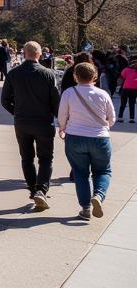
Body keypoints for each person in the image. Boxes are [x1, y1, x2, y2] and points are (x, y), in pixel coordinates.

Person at [1, 41, 60, 210]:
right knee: (46, 159)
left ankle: (33, 189)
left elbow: (4, 100)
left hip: (22, 123)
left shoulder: (14, 74)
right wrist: (61, 119)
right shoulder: (49, 74)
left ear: (24, 53)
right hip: (43, 122)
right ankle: (41, 190)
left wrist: (16, 113)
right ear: (39, 54)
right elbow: (56, 101)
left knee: (27, 158)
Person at [58, 60, 114, 220]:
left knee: (80, 173)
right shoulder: (103, 94)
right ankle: (99, 195)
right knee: (103, 171)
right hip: (100, 138)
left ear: (75, 77)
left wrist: (62, 128)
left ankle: (86, 208)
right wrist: (104, 126)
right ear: (95, 76)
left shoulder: (68, 93)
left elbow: (62, 115)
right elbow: (112, 119)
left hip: (75, 137)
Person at [117, 58, 137, 124]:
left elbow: (123, 75)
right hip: (134, 89)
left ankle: (120, 117)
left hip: (125, 88)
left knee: (123, 104)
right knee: (132, 104)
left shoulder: (126, 70)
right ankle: (132, 118)